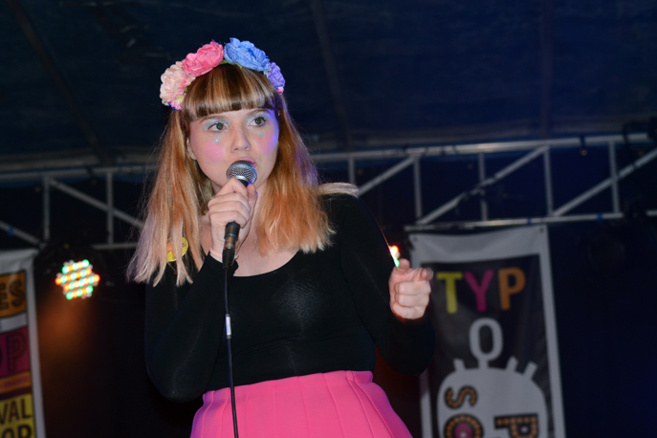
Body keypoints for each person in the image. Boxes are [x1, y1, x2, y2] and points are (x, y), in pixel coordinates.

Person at [128, 37, 435, 438]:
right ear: (188, 144)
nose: (241, 141)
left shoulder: (335, 215)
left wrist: (409, 316)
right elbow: (175, 383)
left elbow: (411, 360)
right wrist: (218, 257)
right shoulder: (175, 246)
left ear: (280, 129)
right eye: (218, 125)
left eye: (257, 120)